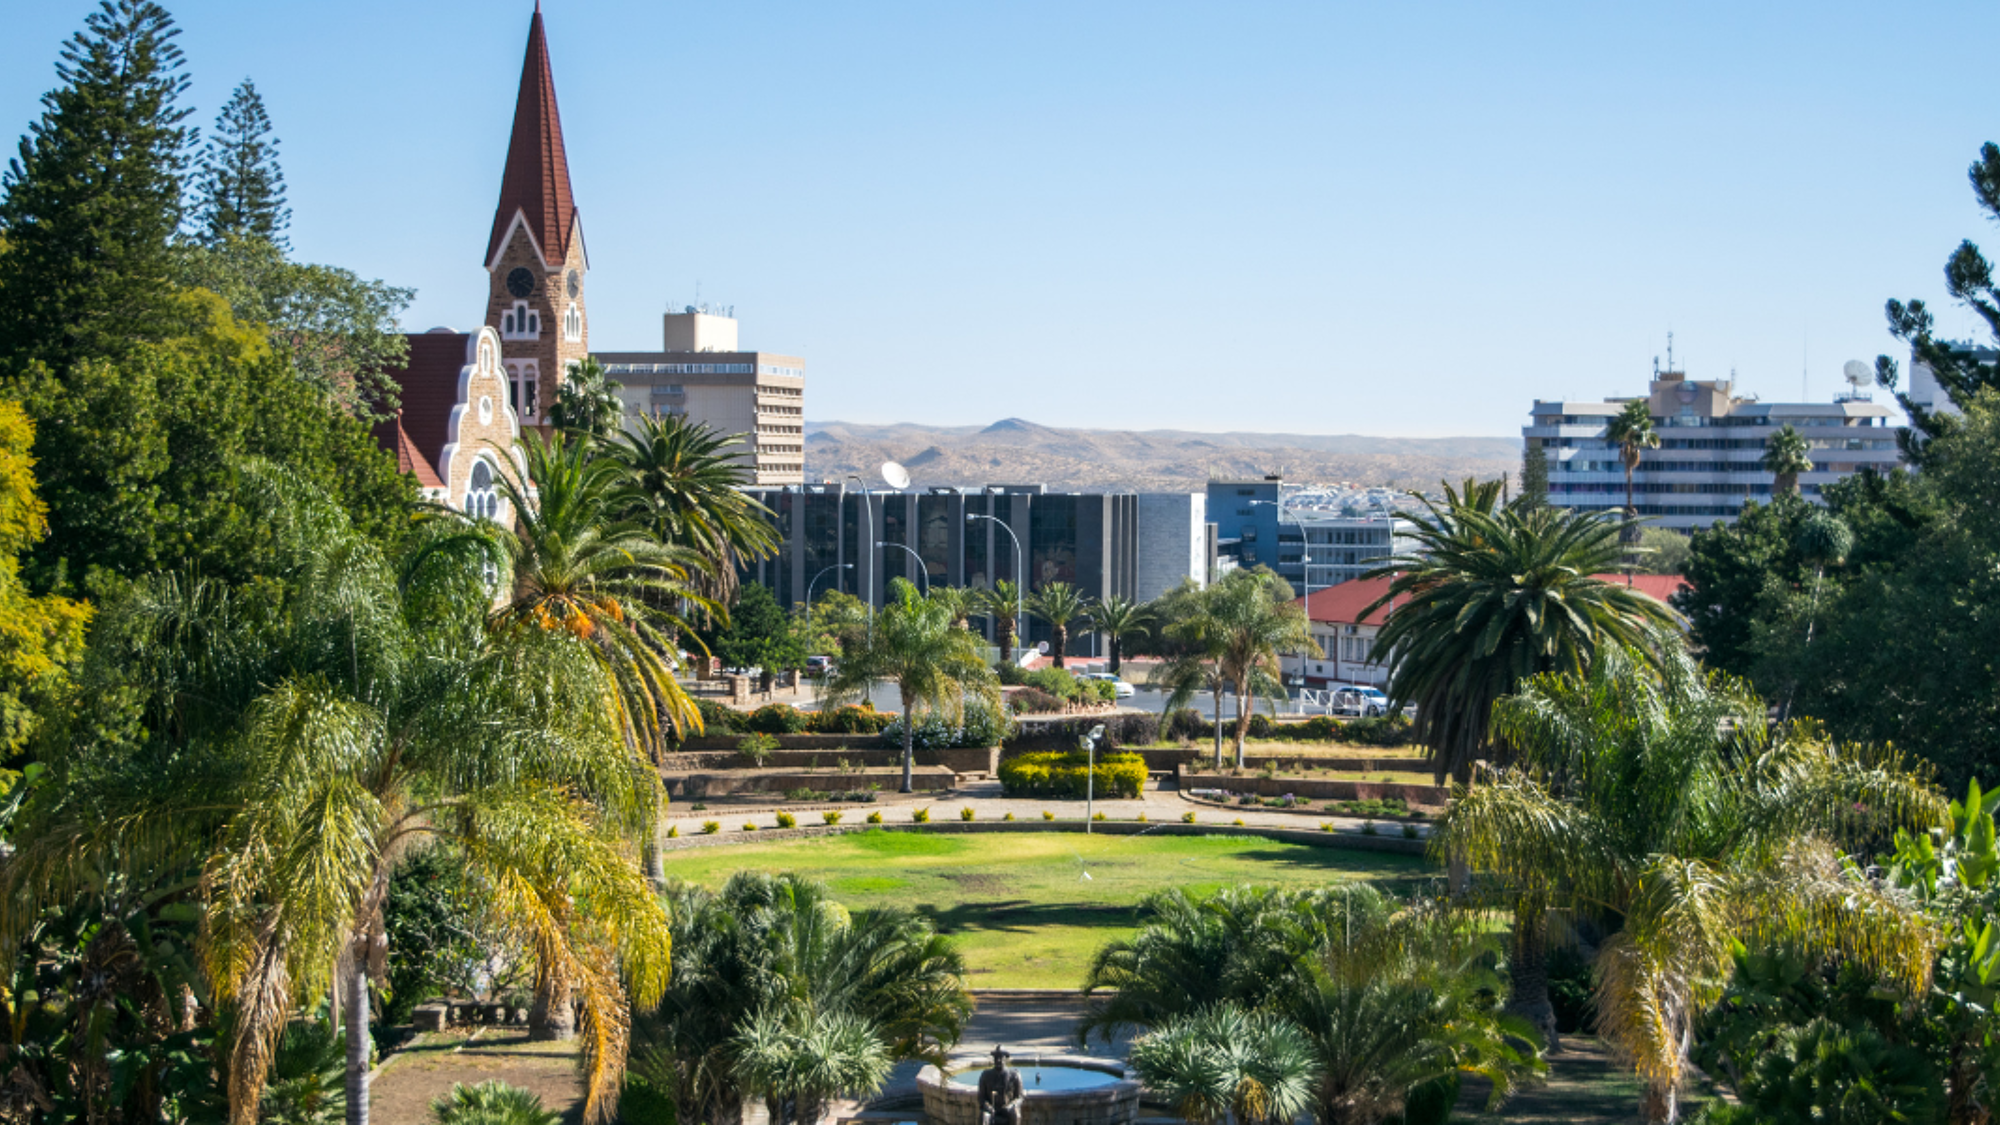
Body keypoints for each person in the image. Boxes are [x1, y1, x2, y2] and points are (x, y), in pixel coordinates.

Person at [977, 1045, 1025, 1125]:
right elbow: (981, 1097)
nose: (998, 1060)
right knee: (984, 1116)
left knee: (1015, 1114)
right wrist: (988, 1107)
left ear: (1005, 1059)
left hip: (1007, 1109)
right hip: (992, 1109)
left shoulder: (1014, 1075)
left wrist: (1011, 1106)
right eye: (996, 1058)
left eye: (1001, 1057)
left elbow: (1020, 1097)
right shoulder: (986, 1075)